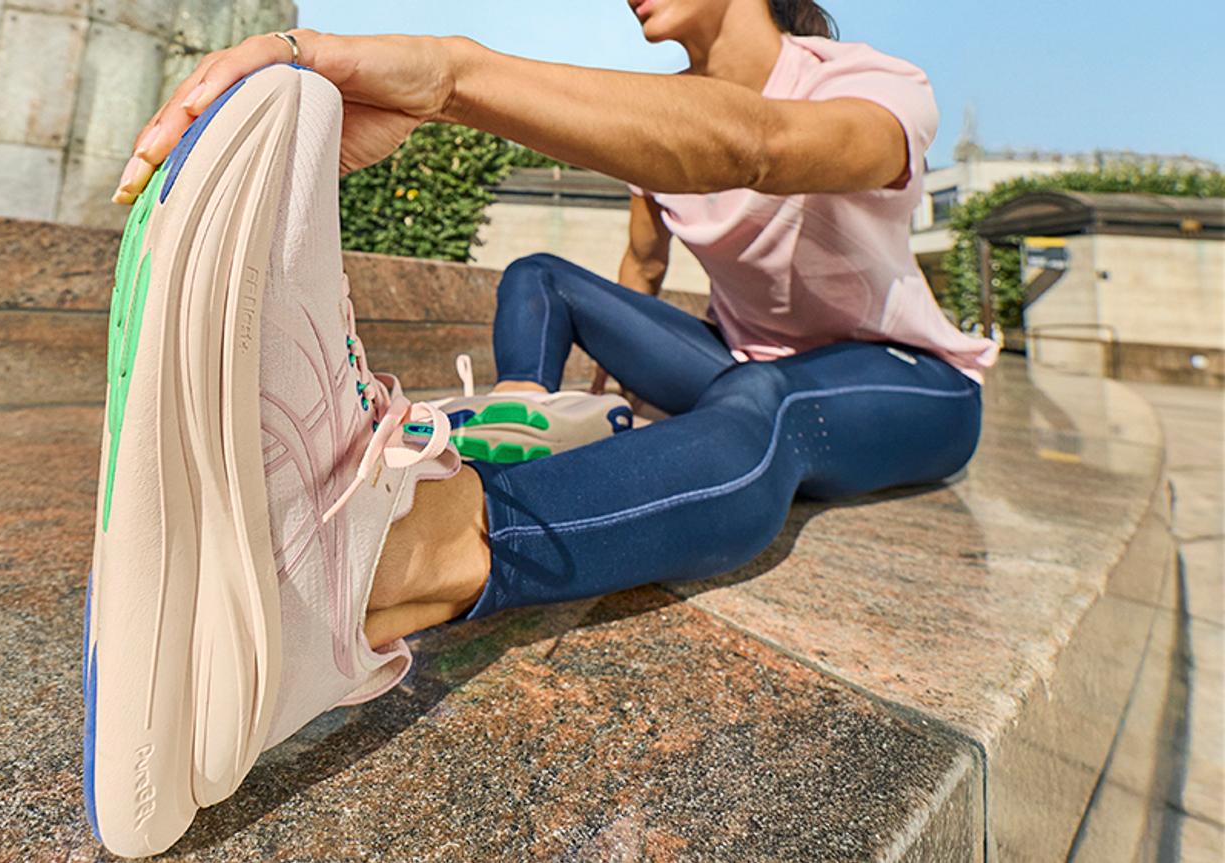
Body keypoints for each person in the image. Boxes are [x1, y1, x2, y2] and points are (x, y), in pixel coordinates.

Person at [84, 0, 998, 855]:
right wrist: (600, 402)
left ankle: (410, 553)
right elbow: (641, 266)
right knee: (545, 273)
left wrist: (446, 79)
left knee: (770, 409)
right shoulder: (662, 117)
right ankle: (521, 411)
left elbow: (752, 144)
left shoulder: (872, 85)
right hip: (741, 359)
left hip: (903, 381)